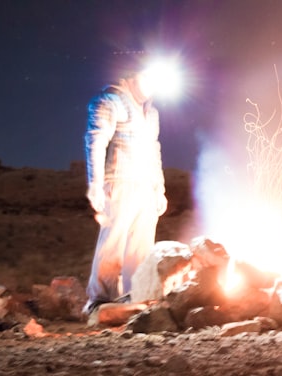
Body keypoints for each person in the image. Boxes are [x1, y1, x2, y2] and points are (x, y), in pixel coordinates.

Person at [83, 53, 168, 315]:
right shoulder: (111, 100)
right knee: (114, 243)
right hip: (119, 182)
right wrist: (96, 183)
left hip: (144, 187)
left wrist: (159, 189)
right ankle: (99, 301)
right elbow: (96, 140)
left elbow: (155, 150)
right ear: (133, 75)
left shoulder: (151, 113)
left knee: (141, 248)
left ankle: (135, 299)